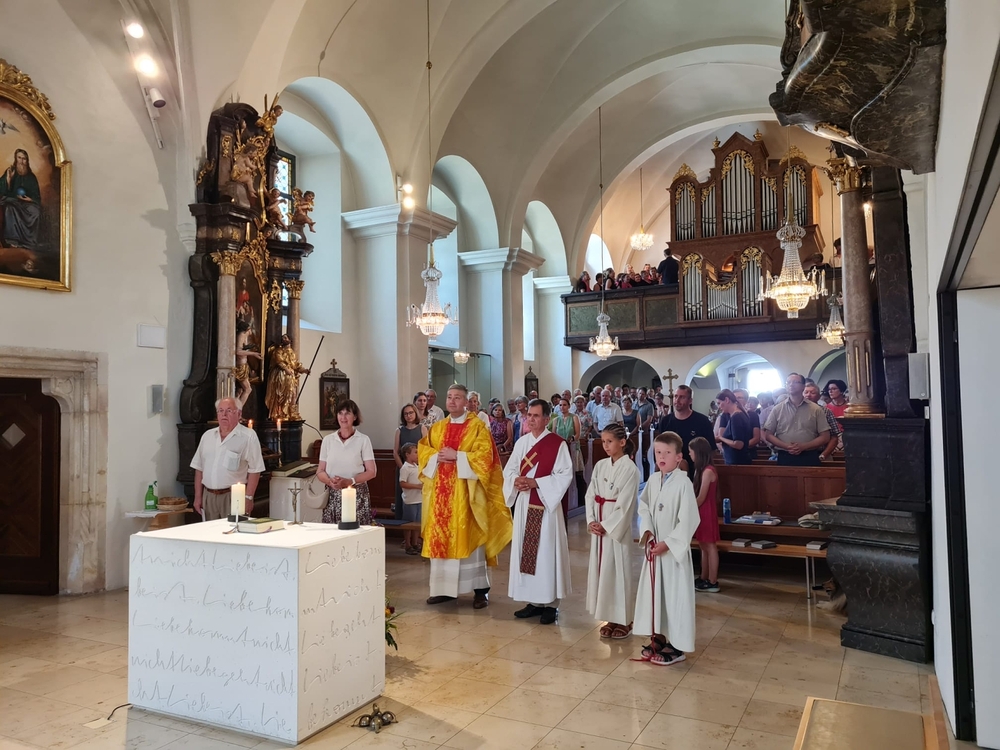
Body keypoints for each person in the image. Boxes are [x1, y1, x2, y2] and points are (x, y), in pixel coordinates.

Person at [419, 384, 512, 608]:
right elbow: (423, 451)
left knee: (472, 540)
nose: (452, 401)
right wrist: (436, 457)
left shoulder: (478, 427)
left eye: (457, 397)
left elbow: (486, 458)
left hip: (467, 496)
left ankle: (480, 591)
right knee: (442, 541)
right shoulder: (438, 428)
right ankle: (444, 590)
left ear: (466, 402)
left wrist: (458, 456)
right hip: (441, 498)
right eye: (449, 397)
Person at [505, 399, 574, 624]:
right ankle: (533, 601)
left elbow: (564, 475)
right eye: (529, 415)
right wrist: (516, 481)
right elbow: (510, 469)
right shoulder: (521, 443)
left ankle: (550, 604)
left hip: (545, 505)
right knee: (527, 553)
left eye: (536, 416)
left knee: (546, 552)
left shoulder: (557, 444)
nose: (531, 419)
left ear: (546, 419)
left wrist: (536, 483)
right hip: (525, 503)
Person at [634, 432, 699, 666]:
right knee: (656, 595)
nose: (661, 457)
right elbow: (644, 507)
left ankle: (678, 646)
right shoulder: (653, 480)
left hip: (673, 553)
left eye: (667, 453)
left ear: (679, 457)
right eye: (658, 452)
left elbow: (690, 519)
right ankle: (659, 636)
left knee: (675, 597)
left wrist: (668, 543)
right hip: (655, 548)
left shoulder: (683, 483)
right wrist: (648, 532)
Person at [585, 423, 640, 640]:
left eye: (610, 441)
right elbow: (591, 494)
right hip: (599, 524)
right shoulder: (600, 466)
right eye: (603, 441)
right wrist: (592, 520)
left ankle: (625, 619)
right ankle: (610, 617)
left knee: (618, 572)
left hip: (615, 528)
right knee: (603, 573)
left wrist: (607, 525)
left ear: (622, 442)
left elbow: (626, 504)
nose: (606, 446)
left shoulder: (630, 469)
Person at [190, 398, 264, 520]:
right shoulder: (207, 436)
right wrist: (198, 496)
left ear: (239, 414)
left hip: (233, 496)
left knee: (234, 530)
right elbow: (199, 468)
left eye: (229, 411)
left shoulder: (248, 437)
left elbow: (255, 469)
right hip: (208, 496)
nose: (224, 415)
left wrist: (249, 497)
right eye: (220, 411)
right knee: (210, 531)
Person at [317, 399, 377, 524]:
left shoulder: (363, 440)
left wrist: (350, 481)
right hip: (333, 496)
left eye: (347, 413)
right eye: (340, 413)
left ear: (354, 417)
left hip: (356, 495)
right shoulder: (328, 440)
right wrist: (330, 481)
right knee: (332, 532)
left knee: (356, 531)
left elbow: (372, 471)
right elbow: (320, 471)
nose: (343, 417)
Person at [762, 373, 831, 466]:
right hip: (785, 455)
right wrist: (787, 446)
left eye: (795, 382)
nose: (791, 384)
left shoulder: (816, 409)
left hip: (809, 455)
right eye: (788, 382)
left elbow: (825, 437)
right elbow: (768, 435)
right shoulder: (777, 409)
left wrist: (804, 446)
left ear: (803, 386)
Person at [654, 385, 716, 475]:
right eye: (676, 396)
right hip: (670, 472)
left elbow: (711, 450)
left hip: (695, 471)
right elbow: (660, 447)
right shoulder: (665, 421)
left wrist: (702, 472)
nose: (677, 400)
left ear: (690, 401)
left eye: (682, 397)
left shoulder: (702, 421)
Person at [689, 437, 721, 593]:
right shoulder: (700, 470)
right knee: (703, 545)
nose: (690, 454)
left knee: (710, 545)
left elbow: (701, 497)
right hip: (700, 511)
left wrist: (687, 508)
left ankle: (713, 581)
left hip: (706, 511)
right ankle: (703, 577)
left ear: (698, 452)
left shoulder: (708, 471)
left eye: (691, 452)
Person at [0, 149, 42, 249]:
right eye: (19, 158)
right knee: (10, 208)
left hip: (26, 203)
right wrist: (8, 180)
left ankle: (29, 241)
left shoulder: (31, 177)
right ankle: (12, 240)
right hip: (12, 201)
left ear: (27, 161)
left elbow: (37, 197)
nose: (22, 161)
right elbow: (2, 191)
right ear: (16, 159)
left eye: (24, 159)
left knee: (35, 212)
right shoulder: (10, 171)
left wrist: (29, 199)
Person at [264, 334, 309, 421]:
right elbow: (279, 361)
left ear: (290, 340)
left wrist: (304, 370)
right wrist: (286, 369)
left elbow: (296, 365)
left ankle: (292, 413)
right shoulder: (278, 351)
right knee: (280, 394)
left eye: (285, 338)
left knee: (293, 394)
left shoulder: (292, 352)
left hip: (290, 377)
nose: (283, 339)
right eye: (282, 338)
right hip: (280, 375)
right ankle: (279, 413)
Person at [394, 403, 428, 520]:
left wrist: (420, 468)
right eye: (406, 414)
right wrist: (404, 467)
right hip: (404, 467)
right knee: (404, 497)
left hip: (419, 468)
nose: (408, 416)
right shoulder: (399, 430)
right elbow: (395, 452)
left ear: (415, 413)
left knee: (418, 498)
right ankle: (403, 525)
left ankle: (418, 528)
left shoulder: (422, 428)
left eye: (411, 413)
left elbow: (426, 450)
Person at [550, 397, 585, 502]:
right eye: (560, 405)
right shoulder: (556, 420)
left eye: (564, 405)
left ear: (569, 406)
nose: (562, 407)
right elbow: (553, 435)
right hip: (561, 450)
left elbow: (578, 434)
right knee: (562, 474)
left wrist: (572, 439)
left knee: (577, 474)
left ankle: (581, 499)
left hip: (573, 448)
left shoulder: (574, 417)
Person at [804, 382, 843, 460]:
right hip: (800, 453)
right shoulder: (796, 411)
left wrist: (824, 455)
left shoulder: (826, 412)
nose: (808, 395)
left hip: (821, 452)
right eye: (806, 392)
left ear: (819, 396)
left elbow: (834, 437)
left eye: (812, 393)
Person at [715, 389, 753, 465]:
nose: (719, 407)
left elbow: (738, 444)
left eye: (719, 403)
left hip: (737, 462)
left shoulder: (736, 417)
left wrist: (720, 438)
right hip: (736, 460)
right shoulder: (737, 415)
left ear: (727, 400)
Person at [398, 443, 423, 554]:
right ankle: (408, 544)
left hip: (419, 499)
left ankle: (415, 543)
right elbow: (402, 483)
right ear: (407, 455)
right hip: (410, 501)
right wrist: (417, 486)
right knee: (409, 524)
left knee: (417, 524)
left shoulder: (417, 466)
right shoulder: (405, 468)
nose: (418, 454)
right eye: (415, 452)